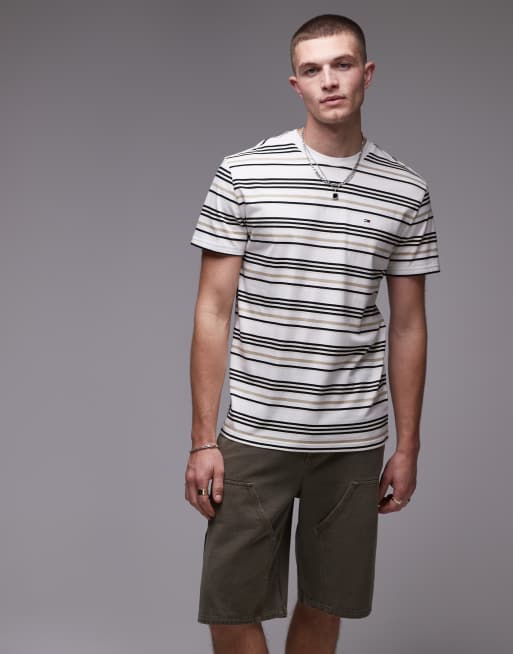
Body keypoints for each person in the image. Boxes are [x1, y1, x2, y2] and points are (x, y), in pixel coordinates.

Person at [185, 13, 440, 654]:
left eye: (342, 65)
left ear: (367, 74)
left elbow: (409, 324)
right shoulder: (243, 172)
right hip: (254, 433)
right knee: (231, 606)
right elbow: (212, 311)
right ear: (295, 83)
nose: (329, 80)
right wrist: (202, 439)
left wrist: (408, 445)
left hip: (352, 440)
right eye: (312, 69)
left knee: (326, 605)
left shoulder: (406, 190)